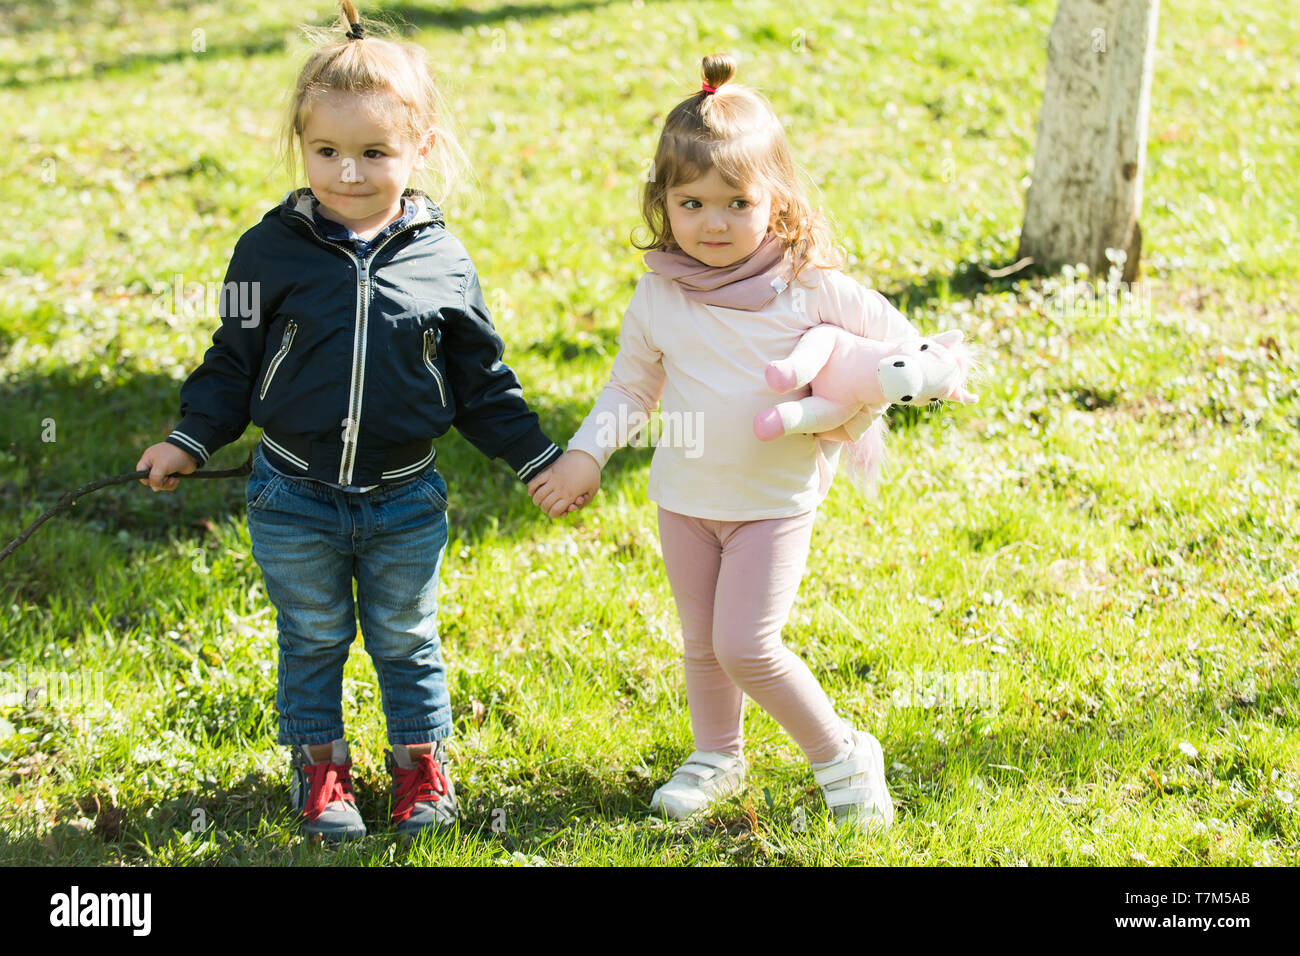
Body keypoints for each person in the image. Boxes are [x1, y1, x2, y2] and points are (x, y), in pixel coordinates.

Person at [136, 1, 566, 842]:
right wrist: (189, 438)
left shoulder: (443, 259)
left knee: (406, 638)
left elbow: (482, 384)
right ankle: (322, 768)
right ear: (302, 146)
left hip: (405, 501)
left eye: (375, 152)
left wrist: (540, 460)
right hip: (292, 495)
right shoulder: (267, 250)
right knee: (312, 637)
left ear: (421, 148)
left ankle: (419, 767)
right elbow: (233, 360)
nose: (349, 173)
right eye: (327, 151)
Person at [528, 54, 922, 830]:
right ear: (662, 203)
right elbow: (631, 388)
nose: (713, 223)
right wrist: (586, 453)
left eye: (736, 203)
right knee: (703, 643)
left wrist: (868, 388)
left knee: (747, 644)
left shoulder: (809, 285)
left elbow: (903, 353)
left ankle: (841, 752)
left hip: (771, 502)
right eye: (692, 202)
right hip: (685, 498)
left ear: (775, 201)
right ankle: (717, 756)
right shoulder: (661, 291)